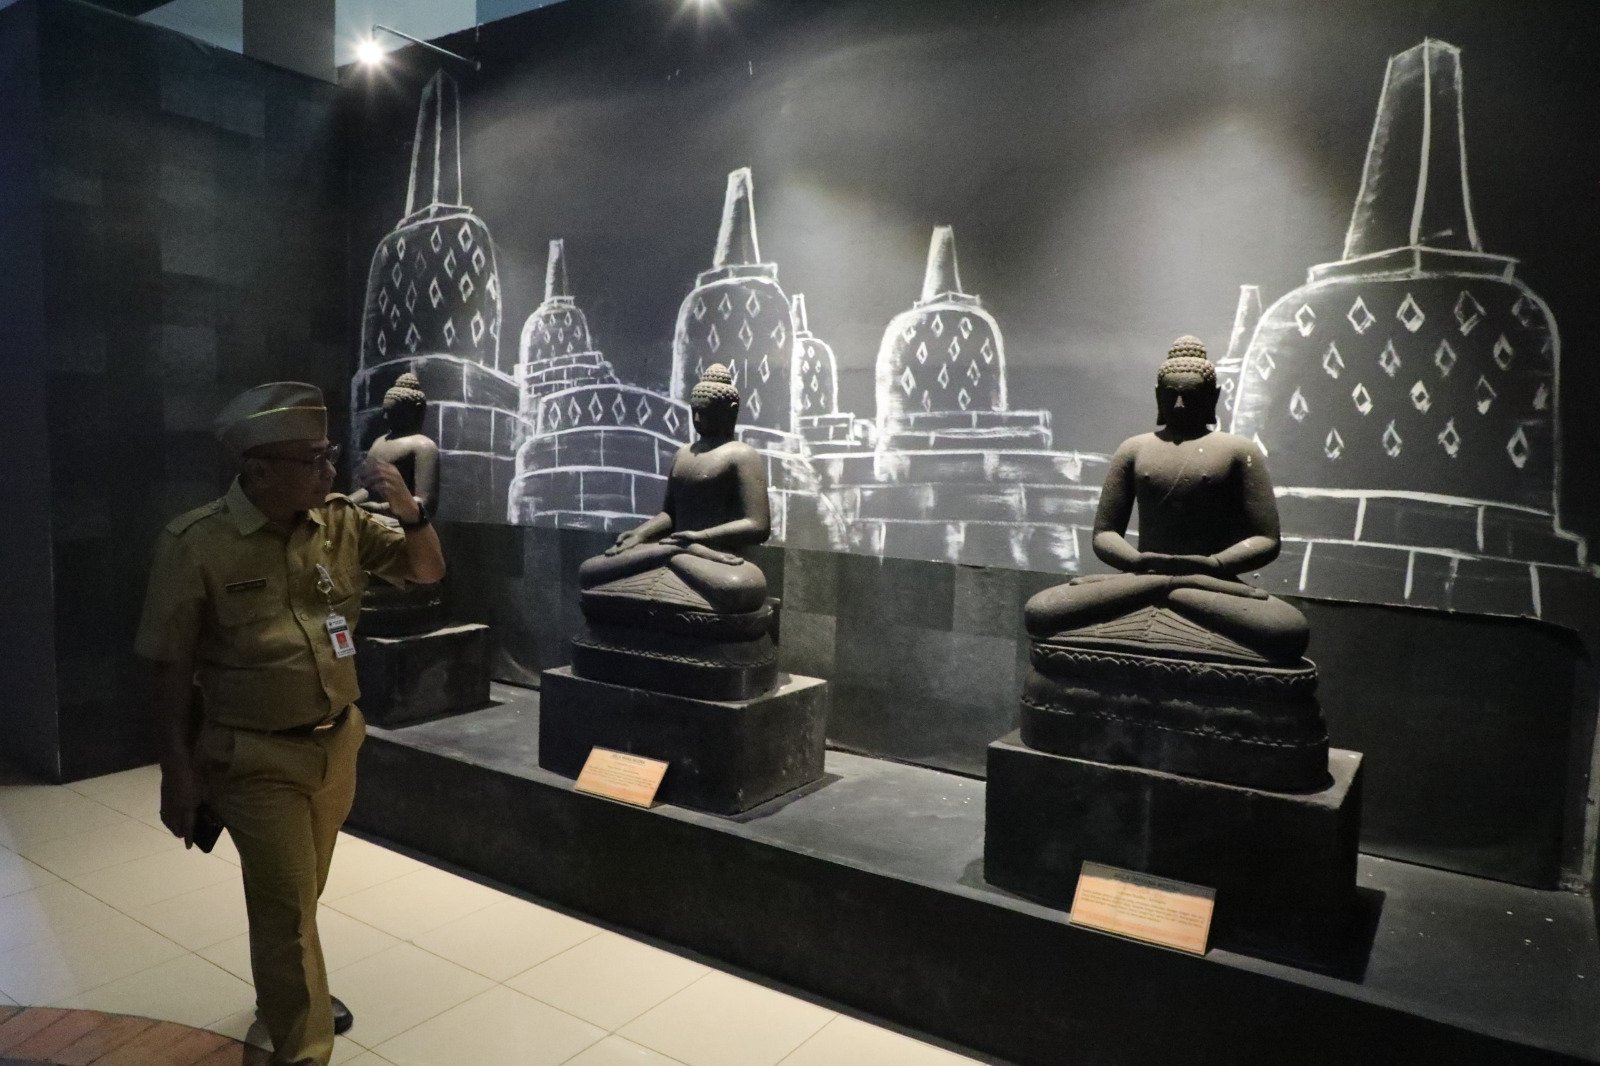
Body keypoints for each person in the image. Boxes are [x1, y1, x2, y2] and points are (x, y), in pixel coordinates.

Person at [134, 382, 446, 1066]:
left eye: (328, 453)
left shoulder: (341, 523)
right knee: (285, 908)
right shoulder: (196, 543)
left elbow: (427, 571)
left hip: (337, 742)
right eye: (312, 458)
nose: (329, 468)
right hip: (254, 757)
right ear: (259, 471)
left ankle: (285, 990)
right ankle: (303, 1045)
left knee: (301, 896)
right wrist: (176, 772)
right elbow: (167, 666)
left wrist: (411, 512)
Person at [1024, 336, 1309, 664]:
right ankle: (1170, 593)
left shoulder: (1240, 451)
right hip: (1143, 576)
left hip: (1209, 583)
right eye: (1171, 395)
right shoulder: (1133, 449)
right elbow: (1104, 534)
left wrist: (1214, 564)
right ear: (1158, 396)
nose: (1179, 405)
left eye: (1191, 396)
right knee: (1041, 610)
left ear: (1213, 397)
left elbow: (1266, 539)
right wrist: (1136, 562)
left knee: (1288, 630)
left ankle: (1169, 594)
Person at [578, 363, 770, 616]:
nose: (698, 420)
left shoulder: (742, 455)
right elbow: (670, 514)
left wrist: (700, 537)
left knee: (737, 587)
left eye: (706, 413)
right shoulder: (683, 453)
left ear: (731, 411)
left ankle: (671, 556)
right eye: (695, 412)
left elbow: (757, 525)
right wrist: (640, 534)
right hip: (676, 545)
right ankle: (673, 554)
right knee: (589, 571)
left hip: (716, 556)